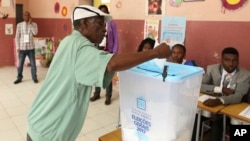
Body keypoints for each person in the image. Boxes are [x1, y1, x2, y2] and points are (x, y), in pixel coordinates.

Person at [26, 5, 170, 141]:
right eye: (100, 24)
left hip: (39, 121)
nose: (105, 30)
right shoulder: (81, 47)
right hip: (48, 132)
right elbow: (112, 64)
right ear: (84, 24)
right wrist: (156, 52)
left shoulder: (69, 41)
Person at [191, 47, 250, 141]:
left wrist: (220, 100)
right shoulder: (212, 69)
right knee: (194, 117)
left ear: (238, 61)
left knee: (225, 124)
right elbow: (200, 85)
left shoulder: (246, 74)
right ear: (221, 60)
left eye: (234, 60)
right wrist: (221, 89)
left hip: (231, 106)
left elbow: (238, 96)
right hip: (212, 106)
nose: (231, 63)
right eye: (227, 60)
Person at [90, 4, 119, 105]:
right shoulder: (95, 24)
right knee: (97, 72)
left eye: (105, 11)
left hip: (108, 51)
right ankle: (97, 93)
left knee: (108, 73)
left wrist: (114, 52)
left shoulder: (112, 24)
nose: (103, 14)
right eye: (101, 12)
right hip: (98, 49)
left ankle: (108, 96)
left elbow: (116, 38)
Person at [14, 11, 38, 84]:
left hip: (31, 48)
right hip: (22, 48)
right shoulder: (19, 25)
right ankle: (19, 78)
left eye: (28, 15)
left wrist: (30, 25)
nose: (26, 16)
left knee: (33, 64)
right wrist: (17, 47)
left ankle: (34, 78)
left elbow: (35, 33)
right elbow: (17, 37)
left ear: (30, 16)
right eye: (25, 15)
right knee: (20, 64)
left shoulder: (34, 24)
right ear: (23, 17)